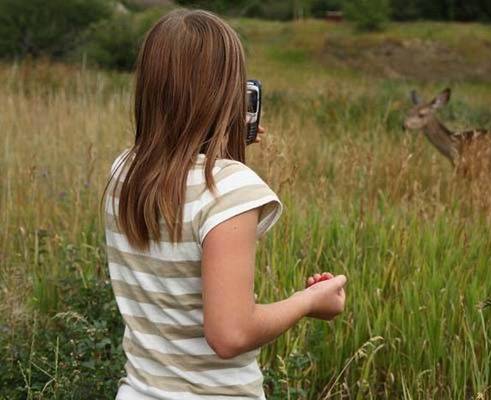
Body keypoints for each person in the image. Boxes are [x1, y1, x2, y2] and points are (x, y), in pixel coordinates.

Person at [103, 9, 347, 400]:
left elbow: (181, 186)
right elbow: (230, 335)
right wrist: (309, 301)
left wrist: (221, 150)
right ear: (226, 92)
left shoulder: (124, 171)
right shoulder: (230, 189)